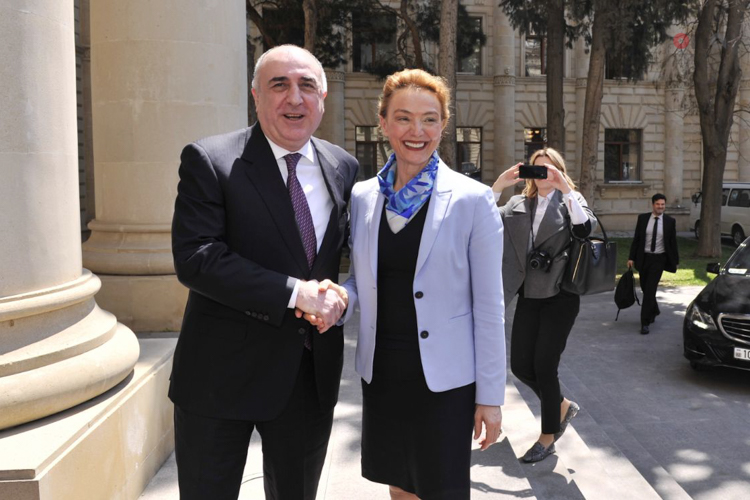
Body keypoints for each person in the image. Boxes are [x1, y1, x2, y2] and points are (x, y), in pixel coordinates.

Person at [169, 45, 358, 500]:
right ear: (256, 95)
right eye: (279, 85)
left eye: (307, 86)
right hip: (219, 378)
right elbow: (197, 257)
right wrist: (295, 293)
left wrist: (345, 296)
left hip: (307, 378)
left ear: (322, 97)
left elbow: (358, 255)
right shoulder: (210, 159)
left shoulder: (343, 166)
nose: (295, 98)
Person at [308, 69, 506, 499]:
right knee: (399, 487)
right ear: (383, 122)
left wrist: (491, 397)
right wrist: (342, 297)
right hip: (383, 372)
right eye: (403, 118)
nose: (417, 131)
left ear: (443, 124)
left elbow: (490, 306)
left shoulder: (473, 200)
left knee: (441, 489)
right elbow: (363, 280)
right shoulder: (364, 196)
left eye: (429, 119)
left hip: (445, 380)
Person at [491, 148, 595, 463]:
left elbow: (585, 228)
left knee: (545, 367)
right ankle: (562, 406)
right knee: (521, 366)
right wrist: (499, 184)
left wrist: (566, 189)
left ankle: (548, 437)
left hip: (560, 296)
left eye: (549, 169)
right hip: (529, 295)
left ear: (559, 172)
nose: (542, 175)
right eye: (536, 169)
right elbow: (482, 218)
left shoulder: (570, 201)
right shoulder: (518, 204)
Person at [627, 193, 679, 335]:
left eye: (663, 204)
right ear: (653, 205)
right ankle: (654, 309)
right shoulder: (643, 219)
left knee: (650, 290)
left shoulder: (669, 221)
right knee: (645, 288)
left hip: (659, 260)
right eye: (658, 204)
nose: (660, 207)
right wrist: (631, 257)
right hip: (643, 258)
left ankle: (645, 322)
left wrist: (676, 261)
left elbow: (672, 242)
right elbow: (637, 239)